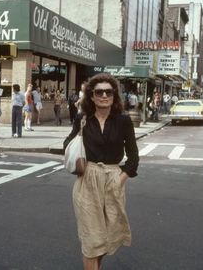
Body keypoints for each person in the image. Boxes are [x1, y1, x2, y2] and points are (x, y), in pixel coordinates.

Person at [63, 73, 139, 270]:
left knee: (106, 237)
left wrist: (120, 180)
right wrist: (81, 160)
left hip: (113, 181)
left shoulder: (123, 121)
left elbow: (133, 158)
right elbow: (67, 145)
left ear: (114, 96)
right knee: (91, 239)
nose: (104, 95)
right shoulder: (83, 118)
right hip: (87, 181)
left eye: (108, 92)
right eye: (99, 92)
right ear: (91, 96)